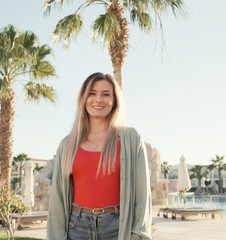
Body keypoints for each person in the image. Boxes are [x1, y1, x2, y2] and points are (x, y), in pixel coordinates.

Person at [47, 72, 152, 239]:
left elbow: (143, 195)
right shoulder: (68, 144)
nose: (98, 100)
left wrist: (139, 235)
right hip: (76, 226)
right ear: (83, 99)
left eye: (106, 94)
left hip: (117, 227)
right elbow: (57, 198)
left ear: (115, 101)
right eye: (92, 93)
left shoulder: (131, 138)